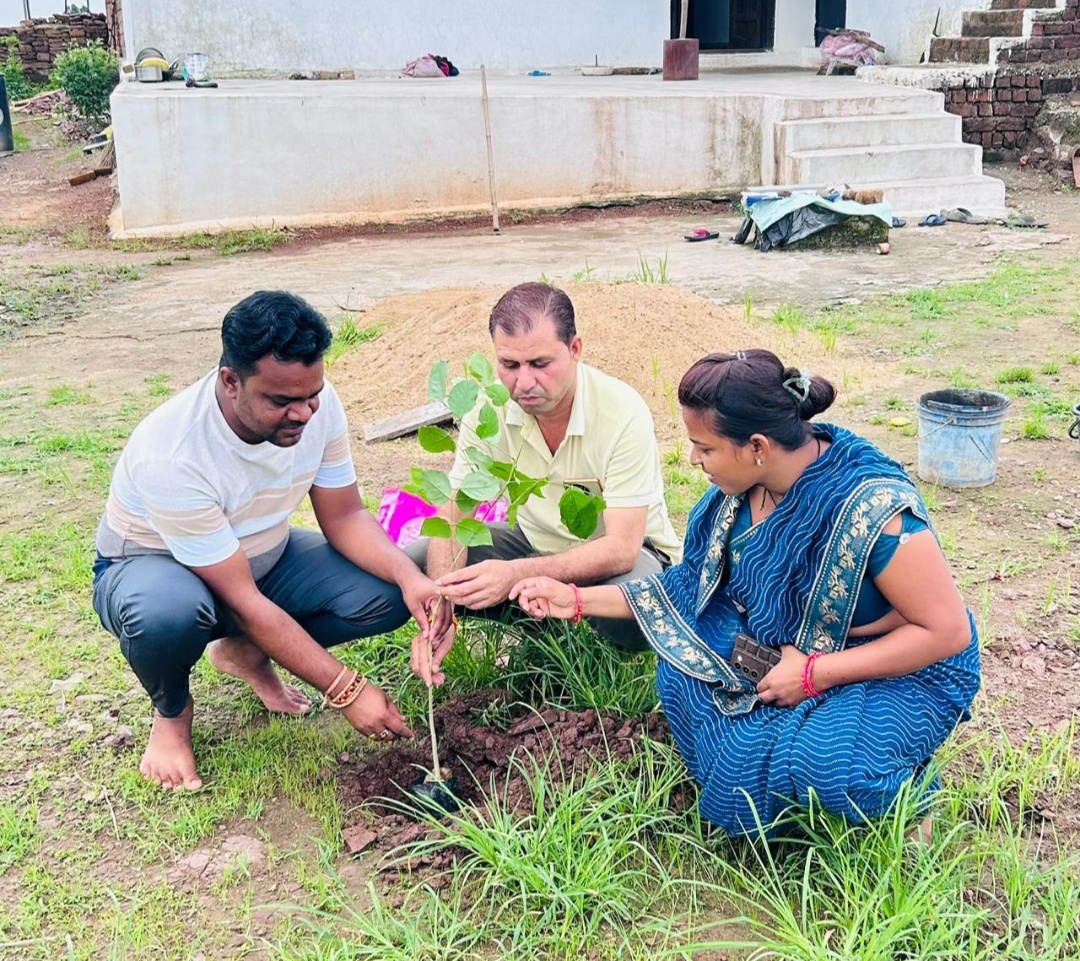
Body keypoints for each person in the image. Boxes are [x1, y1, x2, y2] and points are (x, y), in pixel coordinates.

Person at [511, 349, 981, 836]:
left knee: (827, 764)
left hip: (902, 667)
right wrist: (576, 599)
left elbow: (946, 632)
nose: (693, 459)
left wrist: (816, 673)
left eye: (705, 448)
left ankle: (914, 794)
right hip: (789, 655)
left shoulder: (875, 511)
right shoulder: (738, 496)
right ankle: (788, 770)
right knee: (682, 676)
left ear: (757, 446)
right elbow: (685, 590)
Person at [93, 291, 448, 791]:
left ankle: (243, 654)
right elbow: (240, 600)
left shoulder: (316, 406)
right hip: (155, 569)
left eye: (312, 396)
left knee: (386, 592)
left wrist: (412, 578)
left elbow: (345, 515)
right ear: (230, 381)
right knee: (166, 615)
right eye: (282, 401)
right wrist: (345, 688)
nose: (303, 414)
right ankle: (172, 710)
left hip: (261, 558)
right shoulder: (172, 453)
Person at [409, 281, 682, 685]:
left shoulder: (622, 412)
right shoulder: (491, 410)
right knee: (422, 564)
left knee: (637, 602)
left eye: (540, 363)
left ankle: (586, 636)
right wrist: (441, 600)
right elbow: (455, 511)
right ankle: (548, 624)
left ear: (575, 350)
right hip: (536, 546)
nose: (523, 383)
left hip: (625, 563)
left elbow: (623, 549)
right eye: (510, 365)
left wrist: (515, 575)